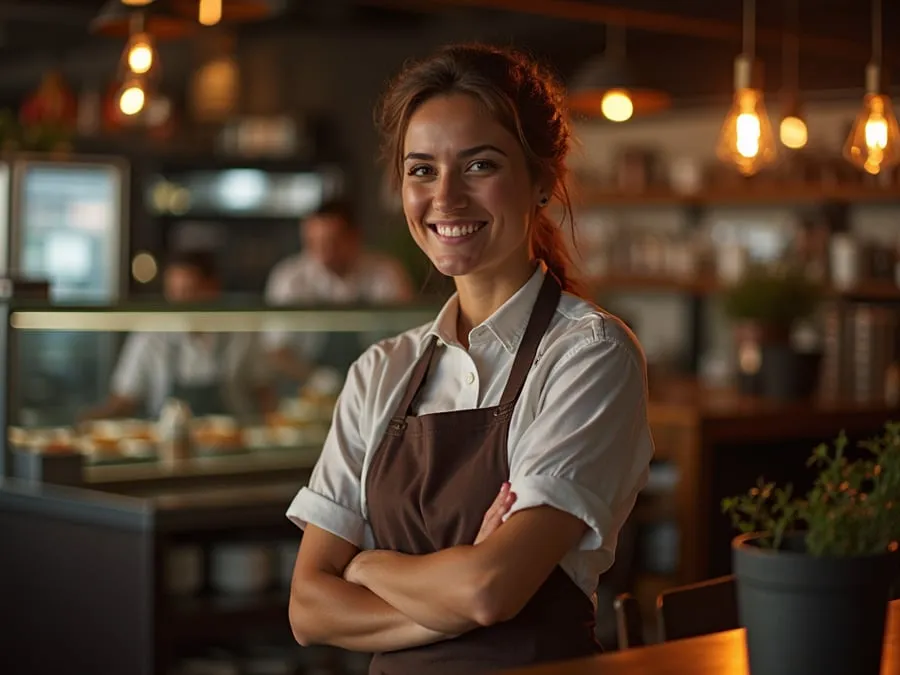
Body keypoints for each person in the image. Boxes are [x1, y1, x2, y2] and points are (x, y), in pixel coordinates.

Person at [286, 44, 654, 674]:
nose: (446, 198)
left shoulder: (589, 355)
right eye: (421, 170)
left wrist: (365, 564)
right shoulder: (380, 371)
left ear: (543, 181)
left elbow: (490, 588)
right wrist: (450, 589)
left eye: (479, 165)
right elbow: (309, 610)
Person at [83, 250, 275, 421]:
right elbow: (125, 398)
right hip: (168, 445)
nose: (180, 301)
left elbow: (264, 393)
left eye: (190, 291)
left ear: (213, 288)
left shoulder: (241, 333)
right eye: (174, 292)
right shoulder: (151, 335)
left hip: (233, 447)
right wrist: (93, 419)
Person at [264, 199, 415, 379]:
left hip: (377, 378)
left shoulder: (386, 273)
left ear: (355, 237)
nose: (323, 252)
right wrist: (317, 379)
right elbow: (276, 350)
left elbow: (407, 338)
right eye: (313, 243)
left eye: (332, 242)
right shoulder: (289, 278)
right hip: (305, 389)